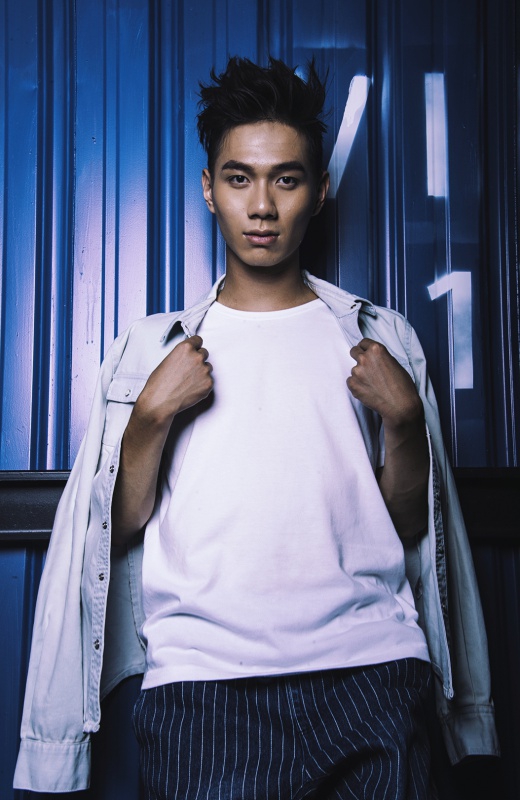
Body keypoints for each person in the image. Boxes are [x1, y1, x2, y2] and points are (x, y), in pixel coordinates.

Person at [14, 57, 499, 798]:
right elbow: (117, 528)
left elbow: (407, 525)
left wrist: (403, 420)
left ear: (320, 190)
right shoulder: (151, 349)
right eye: (239, 178)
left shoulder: (379, 338)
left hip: (371, 676)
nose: (263, 206)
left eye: (286, 179)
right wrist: (150, 415)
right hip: (204, 692)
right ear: (209, 189)